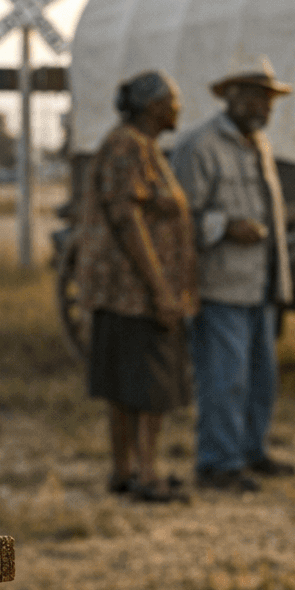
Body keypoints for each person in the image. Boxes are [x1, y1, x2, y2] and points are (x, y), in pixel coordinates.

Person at [172, 55, 295, 493]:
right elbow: (179, 220)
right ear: (232, 97)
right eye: (257, 98)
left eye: (269, 100)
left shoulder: (258, 146)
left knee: (261, 377)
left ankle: (249, 452)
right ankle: (217, 464)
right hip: (220, 284)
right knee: (225, 379)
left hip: (259, 282)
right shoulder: (200, 147)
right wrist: (225, 227)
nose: (265, 108)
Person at [74, 71, 198, 503]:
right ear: (153, 106)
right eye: (173, 100)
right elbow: (129, 221)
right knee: (147, 388)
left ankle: (125, 472)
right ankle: (146, 475)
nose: (179, 107)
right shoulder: (129, 145)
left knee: (127, 387)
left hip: (126, 293)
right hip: (135, 293)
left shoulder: (137, 145)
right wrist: (161, 289)